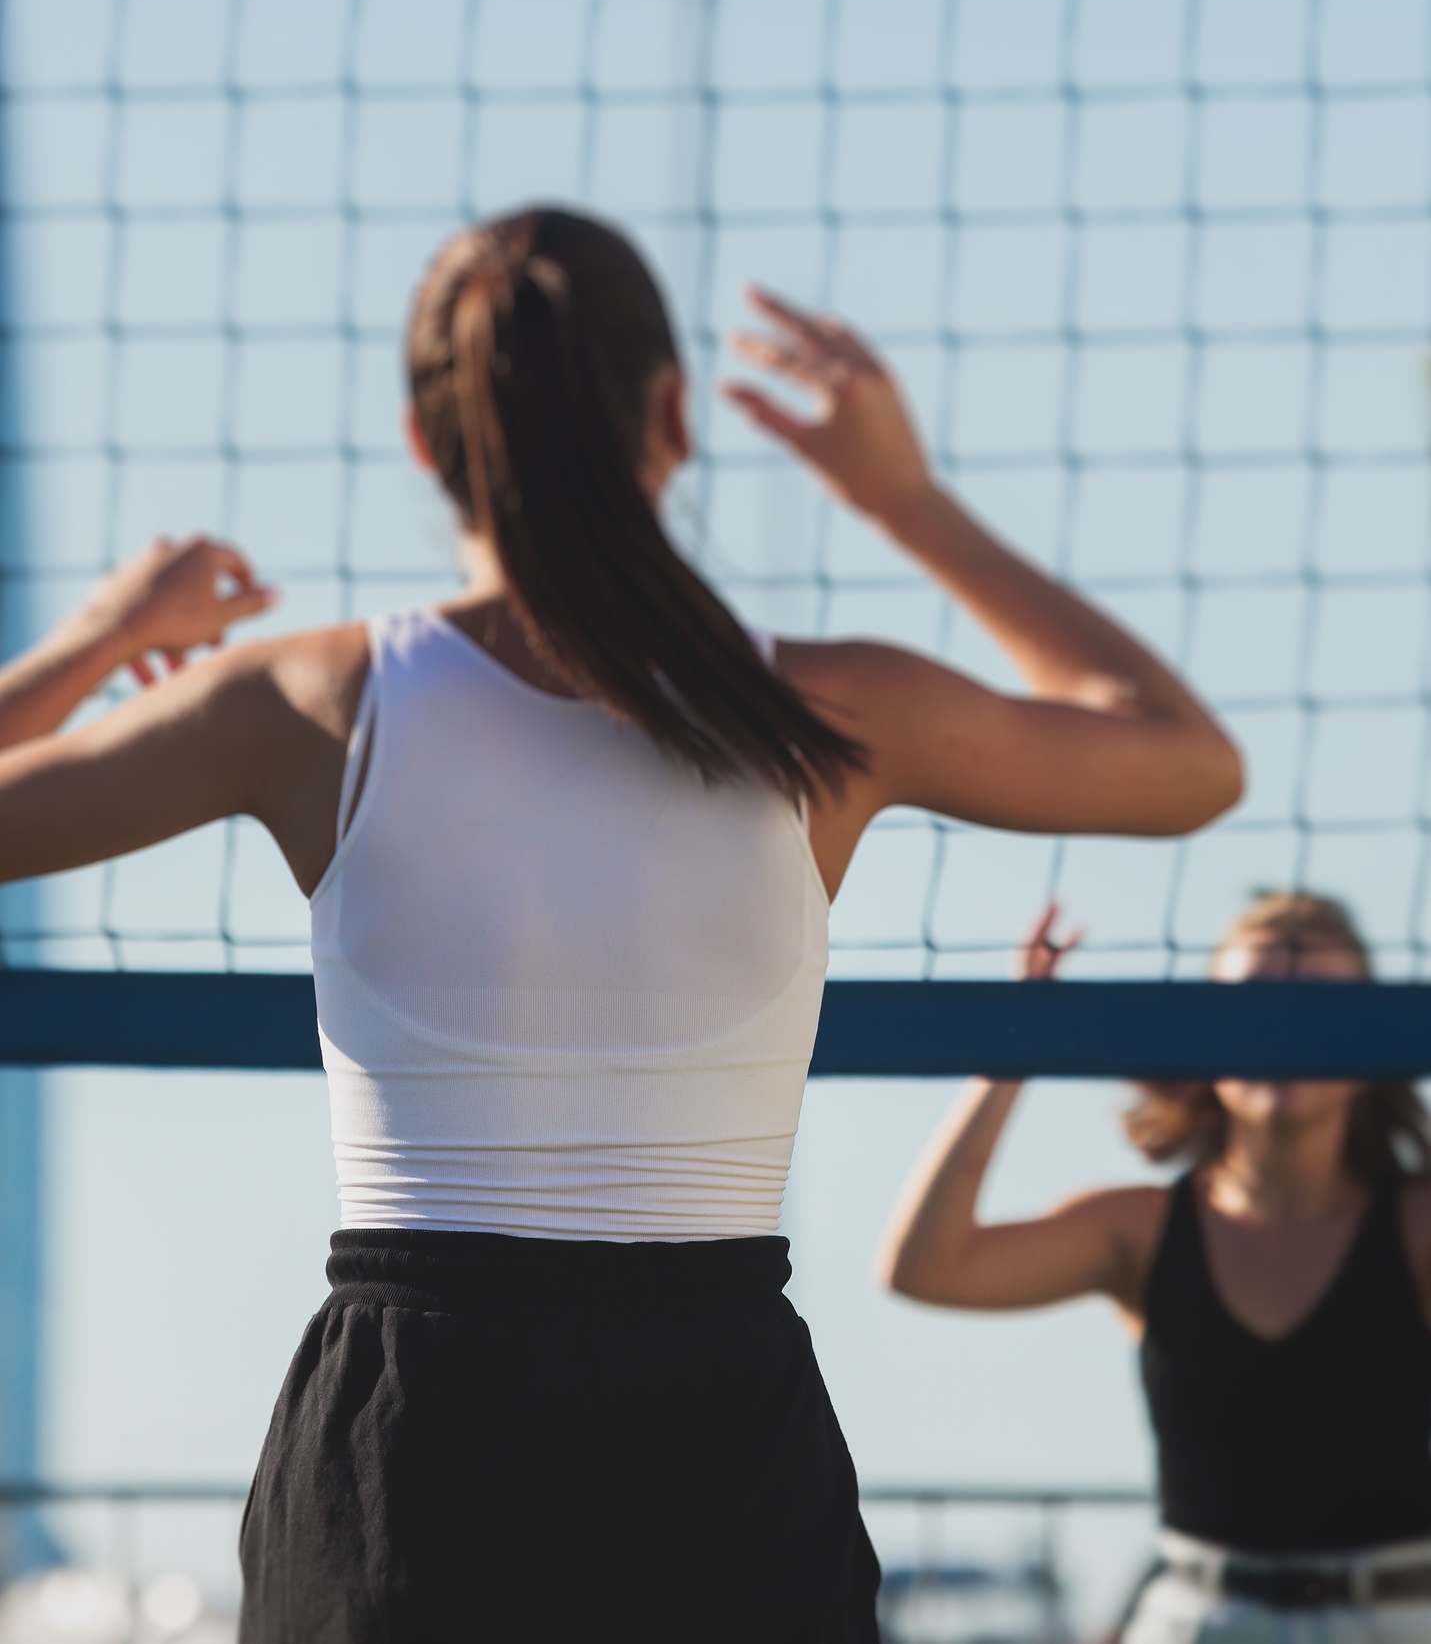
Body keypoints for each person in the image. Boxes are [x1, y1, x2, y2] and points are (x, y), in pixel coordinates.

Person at [0, 206, 1240, 1642]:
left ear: (423, 445)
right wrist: (901, 499)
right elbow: (1181, 760)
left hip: (411, 1452)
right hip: (714, 1442)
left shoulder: (313, 703)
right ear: (674, 414)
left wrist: (98, 639)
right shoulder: (824, 713)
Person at [880, 891, 1431, 1643]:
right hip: (1196, 1617)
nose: (1283, 1023)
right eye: (1253, 1000)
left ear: (1372, 1042)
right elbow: (924, 1267)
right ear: (1203, 1039)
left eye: (1313, 1000)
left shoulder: (1414, 1224)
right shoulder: (1138, 1228)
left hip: (1394, 1618)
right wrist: (1012, 1045)